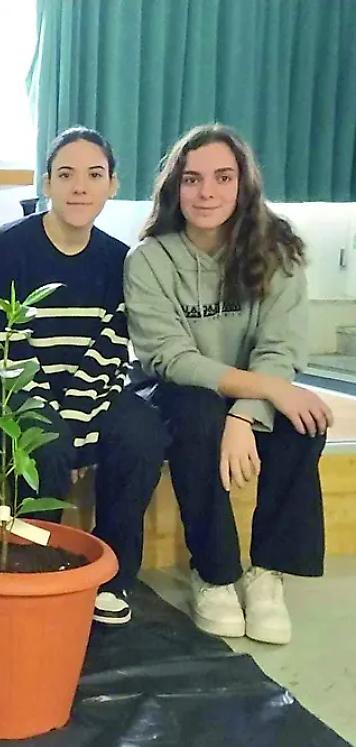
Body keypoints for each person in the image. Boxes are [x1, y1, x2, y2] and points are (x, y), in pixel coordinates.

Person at [125, 123, 331, 644]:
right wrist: (257, 393)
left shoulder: (277, 251)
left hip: (255, 392)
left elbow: (280, 349)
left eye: (222, 177)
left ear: (243, 185)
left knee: (305, 419)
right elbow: (169, 357)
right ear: (176, 188)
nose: (207, 192)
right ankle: (215, 573)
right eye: (192, 179)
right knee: (198, 414)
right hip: (181, 392)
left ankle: (268, 572)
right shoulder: (149, 259)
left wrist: (246, 412)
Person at [0, 127, 167, 626]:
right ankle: (35, 572)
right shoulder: (2, 247)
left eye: (94, 175)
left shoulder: (120, 259)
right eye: (65, 174)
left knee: (142, 432)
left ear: (112, 184)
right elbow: (2, 344)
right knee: (44, 445)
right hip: (2, 388)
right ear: (46, 182)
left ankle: (111, 577)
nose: (79, 187)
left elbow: (111, 350)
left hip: (86, 395)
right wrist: (61, 428)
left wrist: (73, 421)